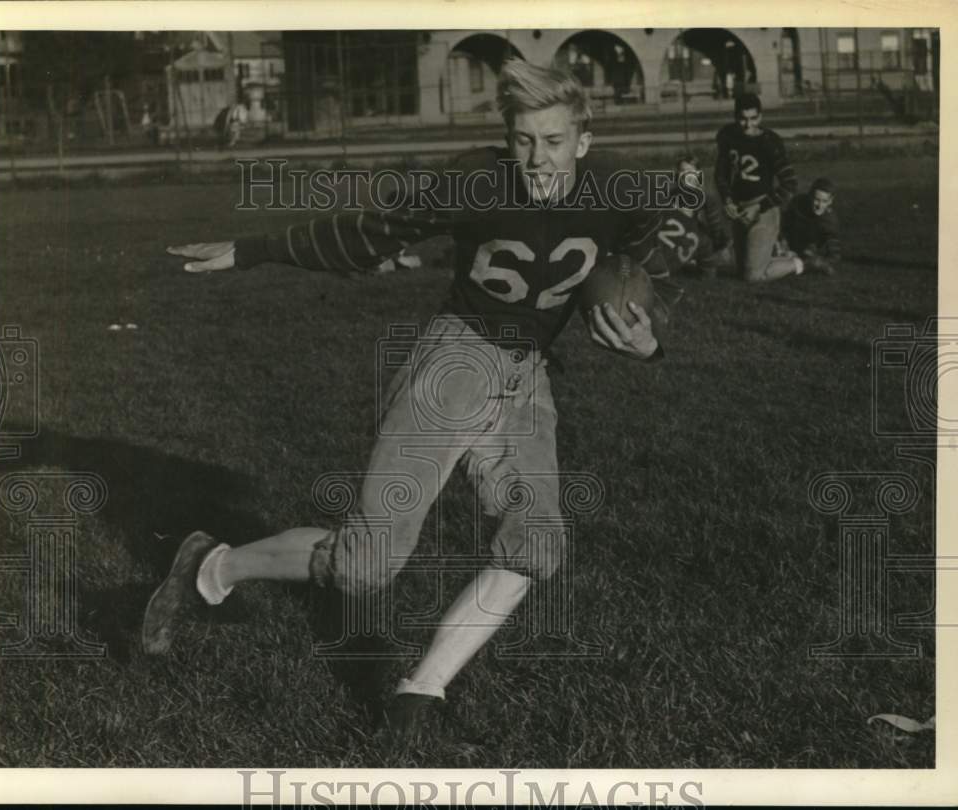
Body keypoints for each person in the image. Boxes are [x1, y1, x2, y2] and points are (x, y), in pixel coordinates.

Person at [143, 59, 667, 744]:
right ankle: (212, 565)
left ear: (585, 140)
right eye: (523, 140)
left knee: (536, 546)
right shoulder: (477, 179)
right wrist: (252, 250)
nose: (538, 158)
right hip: (456, 359)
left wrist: (649, 341)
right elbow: (369, 235)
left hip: (527, 376)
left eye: (554, 141)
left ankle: (416, 696)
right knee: (364, 567)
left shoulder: (623, 191)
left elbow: (641, 264)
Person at [715, 93, 803, 282]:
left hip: (763, 209)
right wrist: (727, 200)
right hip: (739, 208)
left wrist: (760, 206)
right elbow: (720, 174)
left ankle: (797, 263)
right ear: (735, 117)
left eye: (753, 118)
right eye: (743, 119)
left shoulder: (769, 142)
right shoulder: (728, 136)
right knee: (740, 271)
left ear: (761, 116)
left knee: (753, 276)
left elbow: (790, 183)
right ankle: (775, 249)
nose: (748, 125)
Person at [654, 156, 732, 279]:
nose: (686, 175)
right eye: (682, 171)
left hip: (698, 238)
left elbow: (715, 228)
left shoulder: (706, 199)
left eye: (690, 171)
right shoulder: (670, 195)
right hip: (674, 237)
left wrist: (720, 247)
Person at [781, 177, 840, 276]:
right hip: (786, 241)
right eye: (817, 200)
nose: (819, 205)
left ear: (830, 201)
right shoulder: (797, 203)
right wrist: (782, 242)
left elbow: (835, 254)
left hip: (806, 249)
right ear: (810, 196)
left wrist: (823, 263)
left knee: (809, 255)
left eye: (824, 201)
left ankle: (802, 263)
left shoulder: (829, 221)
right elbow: (783, 224)